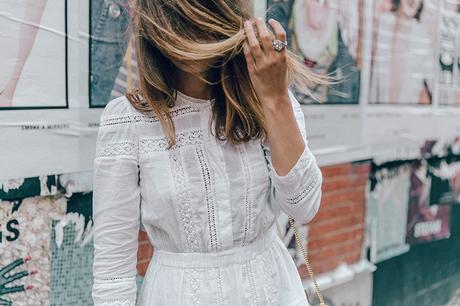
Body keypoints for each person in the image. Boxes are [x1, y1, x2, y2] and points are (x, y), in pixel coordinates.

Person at [91, 1, 324, 305]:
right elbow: (113, 274)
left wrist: (275, 98)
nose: (195, 37)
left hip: (270, 290)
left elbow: (303, 206)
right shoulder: (127, 120)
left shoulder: (266, 98)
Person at [369, 0, 434, 104]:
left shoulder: (422, 35)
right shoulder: (383, 23)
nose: (412, 2)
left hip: (405, 109)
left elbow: (429, 81)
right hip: (379, 106)